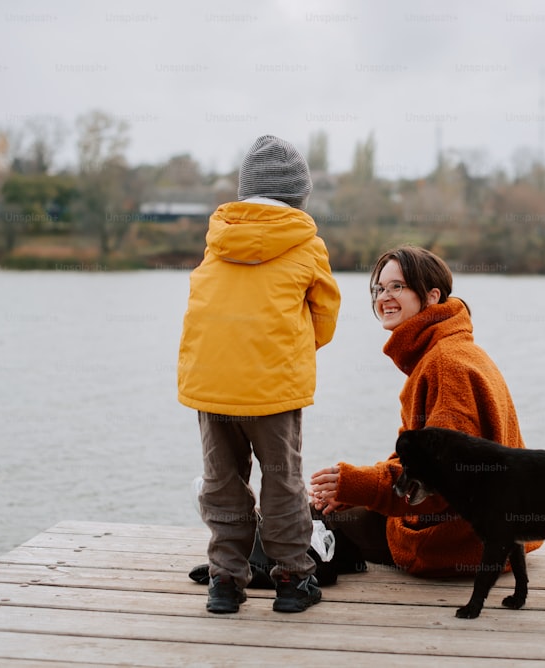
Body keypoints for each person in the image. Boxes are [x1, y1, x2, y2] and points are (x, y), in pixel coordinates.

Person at [177, 134, 341, 614]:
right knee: (282, 480)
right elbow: (325, 316)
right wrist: (287, 350)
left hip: (211, 384)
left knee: (221, 479)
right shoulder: (307, 245)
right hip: (272, 388)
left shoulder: (218, 239)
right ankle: (292, 581)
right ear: (299, 194)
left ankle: (225, 583)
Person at [309, 245, 542, 578]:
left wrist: (356, 485)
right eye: (379, 288)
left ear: (431, 296)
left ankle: (246, 572)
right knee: (333, 504)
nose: (383, 297)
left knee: (310, 514)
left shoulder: (447, 367)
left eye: (397, 287)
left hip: (458, 542)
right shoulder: (451, 351)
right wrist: (352, 489)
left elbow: (439, 481)